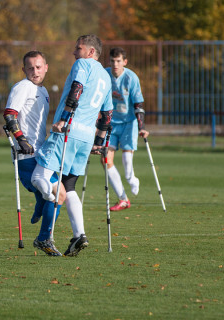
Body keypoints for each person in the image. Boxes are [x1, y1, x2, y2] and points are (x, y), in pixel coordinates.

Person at [31, 34, 113, 257]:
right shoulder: (106, 78)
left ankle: (47, 219)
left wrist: (64, 119)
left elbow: (76, 89)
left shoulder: (82, 64)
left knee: (38, 177)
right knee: (69, 186)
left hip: (68, 131)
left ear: (90, 52)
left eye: (78, 48)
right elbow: (107, 115)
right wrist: (99, 143)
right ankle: (79, 235)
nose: (74, 52)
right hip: (86, 138)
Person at [3, 51, 66, 256]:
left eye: (39, 67)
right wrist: (21, 139)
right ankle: (44, 238)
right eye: (30, 68)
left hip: (42, 153)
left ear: (46, 67)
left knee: (58, 194)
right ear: (24, 70)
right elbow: (10, 115)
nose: (35, 71)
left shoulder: (44, 90)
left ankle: (40, 212)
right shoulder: (23, 86)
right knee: (55, 194)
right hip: (27, 155)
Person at [105, 47, 149, 211]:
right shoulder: (105, 74)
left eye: (118, 61)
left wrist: (141, 126)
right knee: (105, 160)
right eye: (112, 61)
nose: (115, 64)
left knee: (127, 162)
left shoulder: (131, 78)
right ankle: (123, 199)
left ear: (124, 62)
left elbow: (138, 104)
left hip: (129, 123)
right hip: (110, 124)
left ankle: (131, 179)